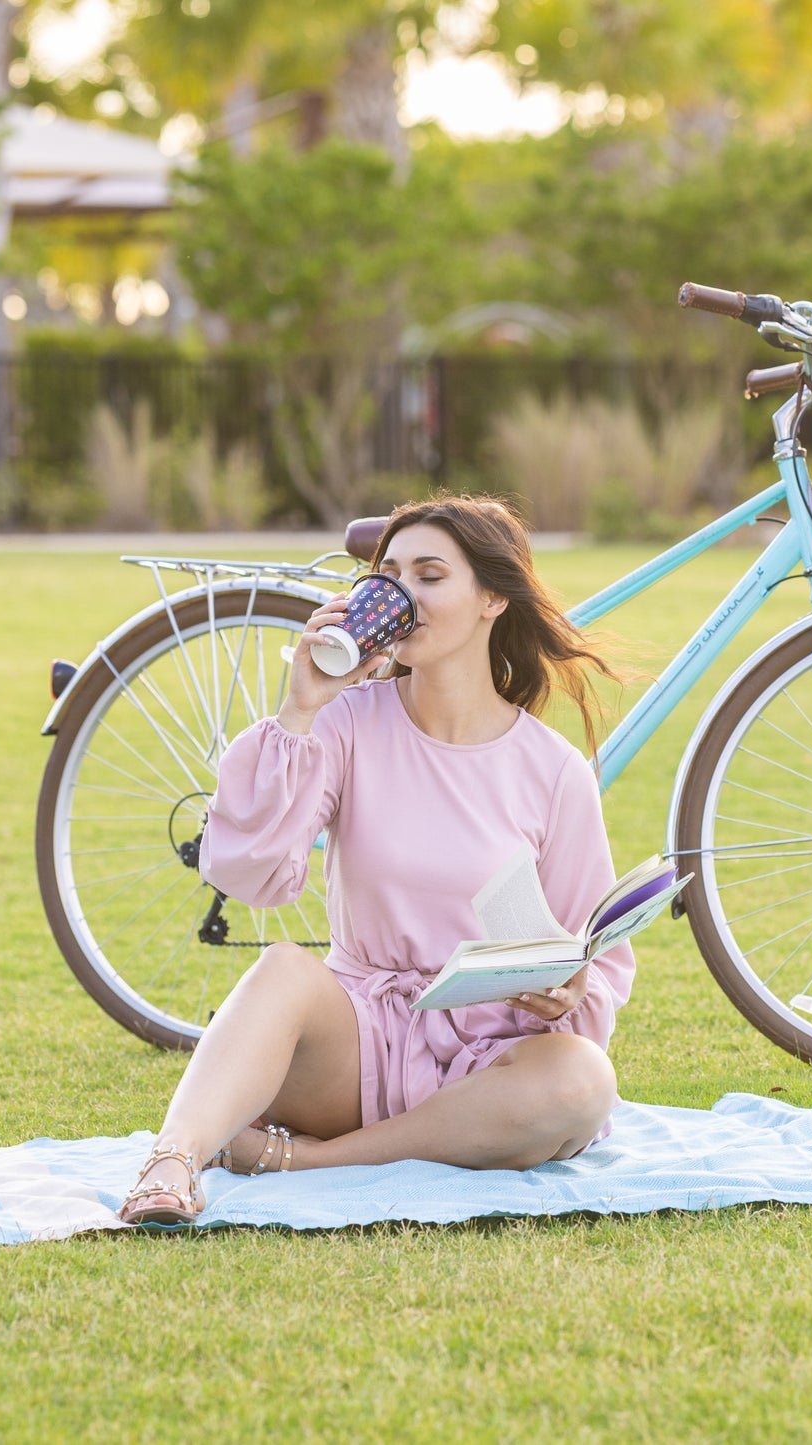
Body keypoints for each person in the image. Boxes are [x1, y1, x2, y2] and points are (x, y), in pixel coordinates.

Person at [120, 497, 631, 1224]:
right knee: (284, 968)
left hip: (491, 1062)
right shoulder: (347, 723)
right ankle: (170, 1159)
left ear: (491, 597)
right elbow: (250, 875)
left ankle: (312, 1159)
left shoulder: (554, 769)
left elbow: (597, 956)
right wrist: (300, 710)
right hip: (356, 1045)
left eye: (429, 575)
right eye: (387, 575)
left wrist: (569, 986)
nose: (401, 595)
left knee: (583, 1079)